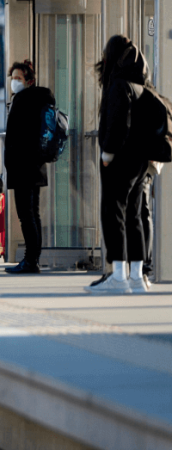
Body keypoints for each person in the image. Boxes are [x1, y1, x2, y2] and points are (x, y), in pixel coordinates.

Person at [87, 36, 151, 294]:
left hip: (120, 159)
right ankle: (136, 276)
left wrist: (107, 154)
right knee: (134, 216)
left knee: (113, 215)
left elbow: (117, 123)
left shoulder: (118, 85)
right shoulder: (141, 83)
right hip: (140, 159)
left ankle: (118, 276)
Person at [2, 60, 56, 275]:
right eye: (13, 78)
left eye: (18, 78)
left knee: (26, 215)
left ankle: (30, 260)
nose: (14, 82)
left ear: (29, 81)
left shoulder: (22, 100)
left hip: (22, 165)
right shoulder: (41, 99)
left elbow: (15, 137)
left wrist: (10, 162)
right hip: (36, 164)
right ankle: (33, 258)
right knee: (33, 214)